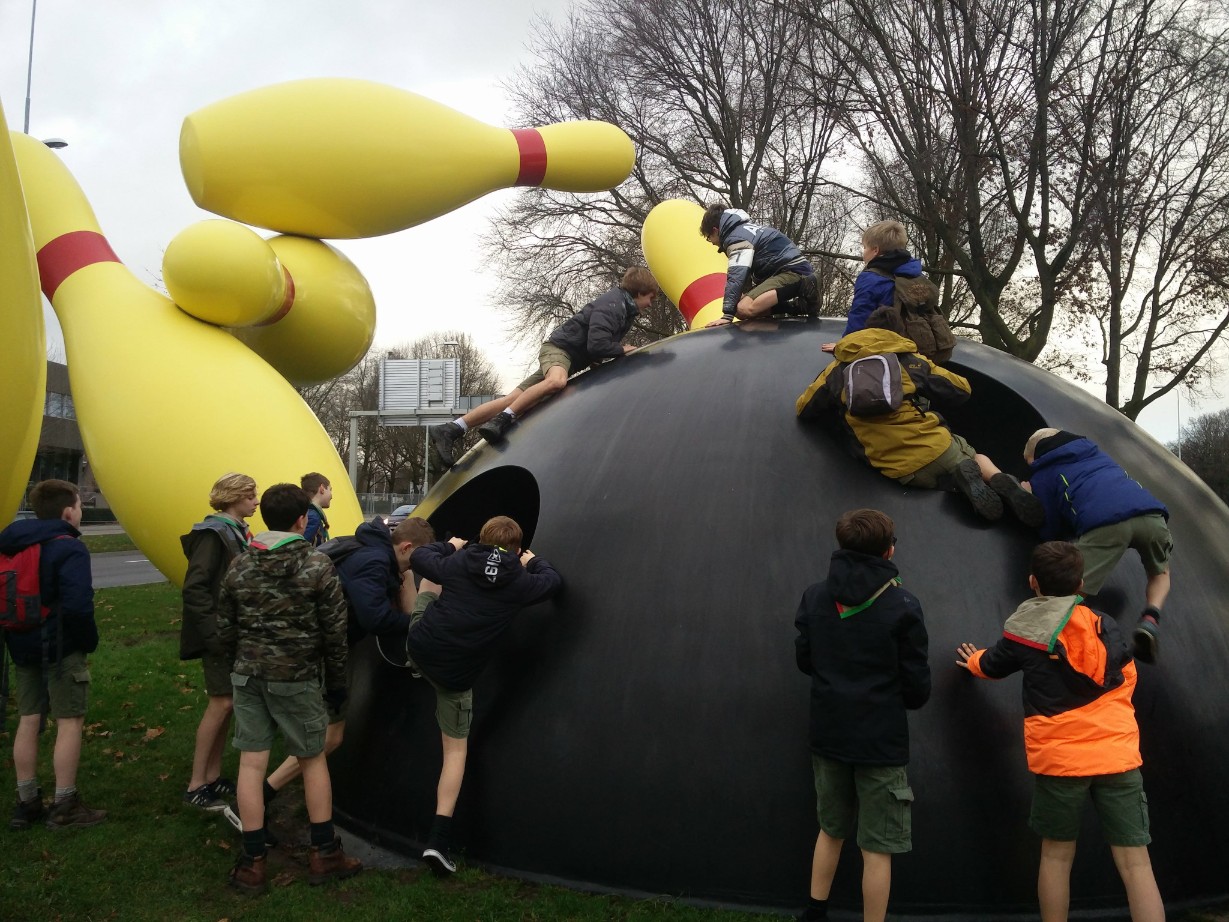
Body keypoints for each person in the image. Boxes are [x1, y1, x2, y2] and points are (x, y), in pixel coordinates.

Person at [956, 541, 1164, 922]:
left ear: (1033, 582)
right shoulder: (1106, 625)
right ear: (1081, 583)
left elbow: (992, 665)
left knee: (1055, 857)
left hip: (1061, 764)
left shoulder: (1023, 633)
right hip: (1117, 759)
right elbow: (1125, 675)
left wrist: (971, 660)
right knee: (1137, 865)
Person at [217, 483, 360, 892]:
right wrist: (337, 685)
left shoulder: (240, 566)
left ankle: (252, 861)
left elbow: (224, 629)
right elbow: (336, 633)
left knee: (251, 764)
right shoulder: (317, 566)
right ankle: (324, 853)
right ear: (302, 520)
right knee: (313, 759)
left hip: (249, 675)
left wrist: (242, 661)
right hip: (297, 679)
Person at [794, 509, 930, 922]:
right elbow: (917, 685)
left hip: (829, 734)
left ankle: (815, 913)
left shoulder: (815, 596)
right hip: (880, 744)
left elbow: (805, 660)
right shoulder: (903, 604)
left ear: (841, 546)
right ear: (889, 550)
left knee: (830, 829)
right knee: (877, 847)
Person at [407, 515, 562, 875]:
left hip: (423, 647)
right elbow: (553, 582)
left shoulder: (460, 561)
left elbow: (418, 557)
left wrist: (452, 545)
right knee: (456, 751)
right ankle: (438, 840)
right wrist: (531, 561)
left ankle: (411, 662)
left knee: (431, 580)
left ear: (480, 539)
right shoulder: (520, 583)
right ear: (517, 549)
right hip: (455, 675)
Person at [259, 516, 436, 807]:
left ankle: (264, 792)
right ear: (406, 547)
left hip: (315, 648)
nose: (420, 565)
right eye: (420, 557)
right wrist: (417, 624)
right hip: (321, 653)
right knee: (327, 737)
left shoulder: (370, 550)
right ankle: (264, 793)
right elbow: (375, 618)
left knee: (325, 734)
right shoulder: (376, 561)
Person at [796, 326, 1044, 525]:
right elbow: (961, 390)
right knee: (972, 454)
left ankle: (961, 484)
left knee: (938, 479)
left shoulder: (835, 372)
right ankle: (998, 479)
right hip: (939, 448)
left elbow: (804, 408)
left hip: (899, 467)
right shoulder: (910, 362)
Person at [430, 268, 659, 465]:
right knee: (556, 381)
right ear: (638, 293)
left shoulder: (623, 309)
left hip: (567, 355)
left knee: (512, 398)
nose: (650, 304)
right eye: (650, 298)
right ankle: (502, 419)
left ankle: (452, 428)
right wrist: (621, 349)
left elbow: (595, 343)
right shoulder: (613, 306)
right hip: (560, 350)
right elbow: (598, 344)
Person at [2, 479, 106, 830]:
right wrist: (87, 642)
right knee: (69, 720)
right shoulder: (69, 548)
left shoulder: (12, 543)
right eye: (79, 506)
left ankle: (26, 800)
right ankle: (65, 804)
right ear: (68, 511)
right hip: (62, 647)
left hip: (21, 644)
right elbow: (78, 606)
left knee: (29, 719)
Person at [1022, 428, 1171, 663]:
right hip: (1151, 515)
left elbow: (1049, 528)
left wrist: (1030, 495)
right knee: (1160, 572)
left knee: (1069, 588)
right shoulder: (1098, 454)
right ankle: (1150, 618)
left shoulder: (1043, 474)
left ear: (1036, 456)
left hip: (1105, 524)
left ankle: (1061, 645)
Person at [179, 472, 257, 813]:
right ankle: (196, 783)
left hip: (231, 633)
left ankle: (212, 776)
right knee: (221, 703)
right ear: (235, 497)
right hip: (220, 636)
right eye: (251, 494)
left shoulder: (234, 531)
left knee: (228, 704)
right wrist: (213, 635)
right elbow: (195, 587)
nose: (256, 500)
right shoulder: (214, 535)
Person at [699, 204, 818, 327]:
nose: (712, 243)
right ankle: (793, 309)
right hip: (783, 271)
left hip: (794, 272)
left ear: (715, 230)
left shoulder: (736, 239)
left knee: (743, 308)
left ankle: (800, 305)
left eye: (709, 237)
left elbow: (736, 276)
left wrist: (727, 315)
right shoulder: (744, 229)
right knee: (739, 307)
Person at [300, 472, 332, 546]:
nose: (331, 495)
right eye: (330, 489)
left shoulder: (306, 511)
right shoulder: (313, 516)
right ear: (322, 488)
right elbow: (302, 546)